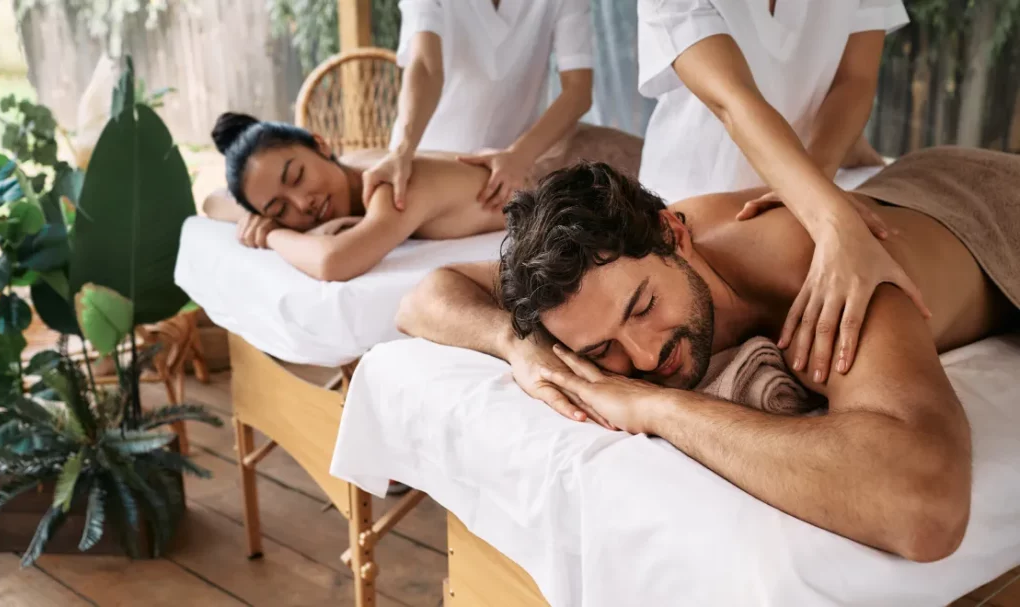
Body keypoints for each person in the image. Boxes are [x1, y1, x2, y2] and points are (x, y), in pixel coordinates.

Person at [396, 147, 1020, 562]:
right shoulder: (593, 276)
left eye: (641, 308)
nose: (642, 358)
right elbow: (426, 295)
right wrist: (517, 343)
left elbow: (925, 507)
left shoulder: (814, 266)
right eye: (601, 350)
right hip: (906, 182)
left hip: (991, 200)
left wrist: (659, 409)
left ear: (675, 233)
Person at [635, 0, 927, 385]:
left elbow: (854, 79)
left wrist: (813, 188)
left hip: (801, 192)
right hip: (693, 206)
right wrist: (830, 218)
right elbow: (732, 100)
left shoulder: (806, 204)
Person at [201, 112, 505, 282]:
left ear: (320, 145)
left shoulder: (391, 185)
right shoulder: (352, 165)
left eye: (296, 177)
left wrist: (271, 232)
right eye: (279, 208)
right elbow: (213, 200)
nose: (302, 203)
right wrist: (252, 217)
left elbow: (333, 262)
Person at [365, 0, 600, 212]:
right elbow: (426, 66)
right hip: (420, 163)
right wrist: (403, 151)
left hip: (505, 176)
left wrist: (519, 156)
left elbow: (578, 90)